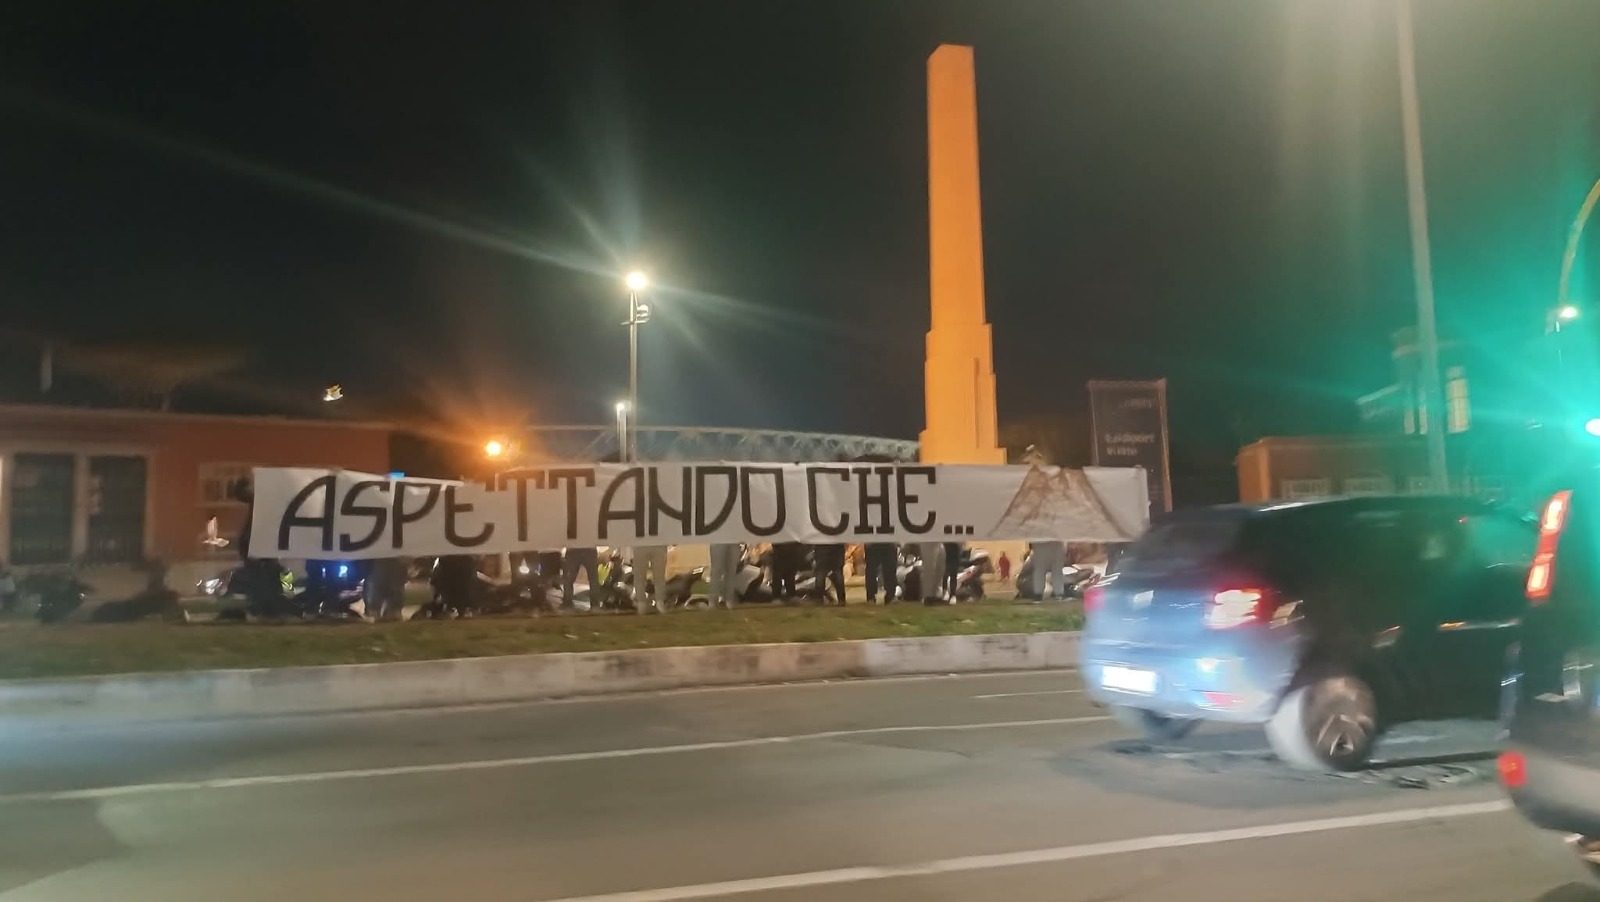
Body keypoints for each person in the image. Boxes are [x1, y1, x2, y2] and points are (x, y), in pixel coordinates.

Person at [632, 544, 670, 613]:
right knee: (639, 577)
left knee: (659, 576)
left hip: (657, 544)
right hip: (640, 544)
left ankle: (659, 602)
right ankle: (641, 603)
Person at [707, 542, 744, 609]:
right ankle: (713, 601)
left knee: (731, 571)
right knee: (716, 572)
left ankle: (728, 600)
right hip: (718, 540)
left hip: (734, 542)